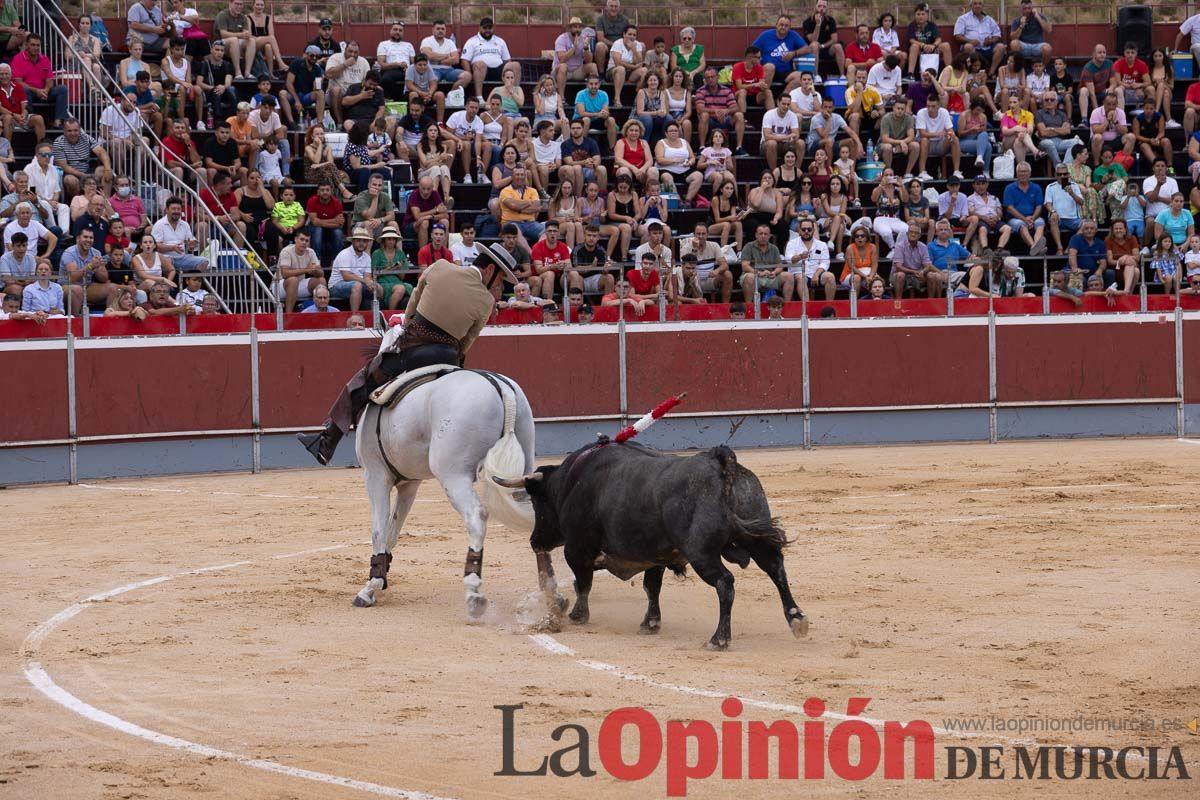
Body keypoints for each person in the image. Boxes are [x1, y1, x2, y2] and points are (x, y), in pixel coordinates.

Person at [300, 245, 518, 464]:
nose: (498, 286)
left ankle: (326, 444)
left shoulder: (440, 267)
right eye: (499, 280)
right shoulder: (487, 302)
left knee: (361, 384)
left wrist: (409, 326)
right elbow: (467, 342)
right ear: (489, 270)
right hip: (449, 357)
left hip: (413, 351)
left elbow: (413, 302)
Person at [11, 34, 69, 129]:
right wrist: (36, 91)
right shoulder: (18, 59)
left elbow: (50, 79)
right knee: (23, 89)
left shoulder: (44, 59)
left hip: (43, 92)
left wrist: (46, 89)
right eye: (33, 45)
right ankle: (29, 119)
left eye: (38, 45)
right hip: (29, 93)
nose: (36, 48)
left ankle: (58, 121)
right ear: (26, 45)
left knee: (62, 89)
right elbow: (18, 82)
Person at [953, 0, 1006, 77]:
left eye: (980, 4)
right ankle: (974, 74)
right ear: (971, 6)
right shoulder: (963, 19)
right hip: (972, 48)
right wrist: (970, 41)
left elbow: (997, 35)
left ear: (983, 6)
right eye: (975, 3)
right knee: (968, 46)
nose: (977, 6)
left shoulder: (989, 20)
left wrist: (991, 41)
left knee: (1001, 47)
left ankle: (990, 73)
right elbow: (957, 36)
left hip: (987, 48)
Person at [1003, 162, 1047, 254]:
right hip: (1015, 219)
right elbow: (1010, 208)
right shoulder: (1009, 188)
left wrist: (1032, 218)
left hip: (1032, 217)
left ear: (1030, 173)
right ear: (1017, 173)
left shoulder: (1036, 188)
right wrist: (1024, 219)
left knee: (1040, 223)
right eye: (1020, 172)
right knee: (1021, 225)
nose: (1023, 174)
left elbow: (1039, 206)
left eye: (1025, 171)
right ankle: (1034, 246)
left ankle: (1037, 246)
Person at [915, 93, 961, 181]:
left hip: (940, 144)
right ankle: (922, 172)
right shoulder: (921, 113)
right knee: (924, 140)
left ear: (939, 105)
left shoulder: (944, 112)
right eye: (928, 106)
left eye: (933, 106)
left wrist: (950, 134)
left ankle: (956, 171)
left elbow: (950, 130)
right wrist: (937, 134)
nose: (930, 109)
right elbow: (922, 134)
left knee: (955, 139)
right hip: (925, 144)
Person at [420, 20, 471, 93]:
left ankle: (450, 96)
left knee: (467, 76)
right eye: (438, 28)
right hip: (432, 69)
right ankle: (431, 98)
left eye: (442, 29)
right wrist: (447, 56)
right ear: (433, 30)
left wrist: (438, 61)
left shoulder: (450, 42)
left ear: (445, 30)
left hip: (449, 70)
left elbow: (456, 59)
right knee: (432, 79)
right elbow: (430, 56)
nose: (440, 31)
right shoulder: (427, 41)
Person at [553, 17, 597, 99]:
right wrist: (574, 48)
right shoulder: (561, 39)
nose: (577, 29)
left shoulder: (584, 39)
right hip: (562, 71)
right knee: (563, 66)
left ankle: (592, 98)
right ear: (570, 28)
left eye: (579, 27)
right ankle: (561, 98)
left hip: (577, 70)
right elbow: (561, 60)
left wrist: (586, 48)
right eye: (575, 27)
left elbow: (589, 60)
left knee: (593, 66)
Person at [906, 3, 952, 81]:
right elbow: (911, 40)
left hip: (932, 48)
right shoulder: (912, 26)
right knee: (914, 46)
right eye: (918, 14)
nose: (920, 16)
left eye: (923, 14)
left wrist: (933, 45)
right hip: (919, 49)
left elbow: (938, 39)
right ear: (915, 15)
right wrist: (923, 45)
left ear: (927, 15)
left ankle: (951, 72)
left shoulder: (932, 25)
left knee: (946, 45)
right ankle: (910, 75)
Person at [800, 1, 843, 79]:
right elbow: (813, 40)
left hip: (826, 48)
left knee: (838, 46)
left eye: (824, 7)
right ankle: (816, 75)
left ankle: (842, 75)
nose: (821, 9)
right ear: (815, 7)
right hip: (812, 50)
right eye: (819, 6)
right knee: (815, 44)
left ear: (827, 8)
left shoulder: (830, 20)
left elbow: (834, 39)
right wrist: (818, 24)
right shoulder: (807, 22)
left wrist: (823, 46)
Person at [1089, 90, 1135, 164]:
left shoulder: (1120, 112)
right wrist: (1107, 120)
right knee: (1097, 137)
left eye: (1113, 105)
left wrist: (1116, 122)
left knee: (1131, 137)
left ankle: (1121, 165)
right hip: (1100, 142)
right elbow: (1095, 131)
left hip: (1114, 141)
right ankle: (1096, 164)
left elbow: (1124, 131)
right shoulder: (1096, 112)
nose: (1111, 107)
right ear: (1103, 103)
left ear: (1117, 104)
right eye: (1108, 104)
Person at [214, 0, 256, 79]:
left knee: (251, 41)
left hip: (236, 43)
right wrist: (240, 35)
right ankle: (238, 72)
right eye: (236, 4)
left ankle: (247, 72)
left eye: (241, 4)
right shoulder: (222, 15)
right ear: (230, 3)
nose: (239, 6)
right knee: (234, 40)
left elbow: (245, 33)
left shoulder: (243, 17)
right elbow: (223, 34)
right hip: (220, 43)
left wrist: (247, 35)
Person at [1035, 92, 1074, 168]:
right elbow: (1043, 132)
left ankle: (1066, 166)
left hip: (1060, 141)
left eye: (1052, 100)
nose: (1049, 101)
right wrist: (1060, 130)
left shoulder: (1062, 114)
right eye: (1046, 100)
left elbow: (1067, 131)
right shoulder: (1039, 113)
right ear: (1043, 102)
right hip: (1044, 141)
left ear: (1056, 102)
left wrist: (1051, 129)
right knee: (1049, 143)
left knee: (1076, 142)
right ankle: (1058, 166)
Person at [1078, 45, 1114, 123]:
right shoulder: (1088, 68)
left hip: (1102, 91)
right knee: (1084, 90)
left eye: (1104, 52)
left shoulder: (1109, 63)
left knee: (1118, 90)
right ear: (1094, 54)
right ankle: (1084, 120)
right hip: (1088, 94)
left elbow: (1113, 82)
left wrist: (1111, 89)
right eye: (1099, 52)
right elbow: (1092, 93)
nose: (1102, 55)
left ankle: (1119, 117)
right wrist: (1098, 115)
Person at [1009, 0, 1052, 65]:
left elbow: (1048, 30)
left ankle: (1042, 69)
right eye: (1024, 8)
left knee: (1048, 49)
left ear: (1032, 8)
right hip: (1024, 46)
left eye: (1029, 8)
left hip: (1038, 45)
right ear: (1021, 9)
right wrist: (1021, 26)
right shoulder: (1017, 20)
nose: (1027, 10)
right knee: (1014, 44)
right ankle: (1019, 68)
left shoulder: (1040, 17)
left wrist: (1037, 17)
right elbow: (1013, 38)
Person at [593, 0, 629, 75]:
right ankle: (601, 74)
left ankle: (639, 71)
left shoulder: (625, 20)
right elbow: (600, 38)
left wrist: (623, 46)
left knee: (641, 45)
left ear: (619, 8)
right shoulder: (600, 19)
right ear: (606, 8)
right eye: (611, 6)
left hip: (622, 45)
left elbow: (628, 34)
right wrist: (615, 45)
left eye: (616, 6)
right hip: (608, 46)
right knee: (600, 46)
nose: (613, 8)